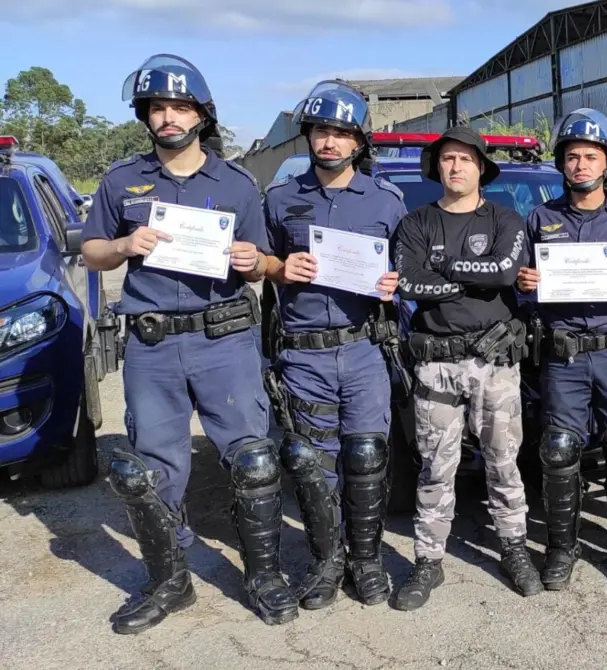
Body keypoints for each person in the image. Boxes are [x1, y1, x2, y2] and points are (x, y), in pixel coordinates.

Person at [81, 54, 298, 634]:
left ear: (201, 114)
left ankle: (264, 572)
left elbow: (263, 262)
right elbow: (91, 252)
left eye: (179, 107)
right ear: (146, 116)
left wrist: (256, 262)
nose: (168, 117)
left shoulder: (235, 183)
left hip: (224, 339)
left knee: (253, 461)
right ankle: (170, 581)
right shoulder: (120, 180)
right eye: (158, 108)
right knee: (152, 472)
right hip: (153, 346)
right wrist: (125, 247)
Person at [261, 80, 404, 610]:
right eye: (322, 130)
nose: (330, 142)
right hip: (304, 353)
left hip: (364, 348)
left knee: (366, 455)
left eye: (342, 133)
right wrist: (280, 267)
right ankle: (326, 562)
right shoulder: (280, 199)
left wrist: (395, 283)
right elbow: (258, 261)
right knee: (312, 462)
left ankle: (365, 561)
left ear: (359, 142)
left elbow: (404, 270)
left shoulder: (386, 201)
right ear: (310, 136)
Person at [390, 125, 541, 612]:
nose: (455, 167)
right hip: (436, 364)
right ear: (437, 167)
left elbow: (502, 273)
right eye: (447, 159)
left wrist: (445, 267)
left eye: (465, 159)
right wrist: (466, 278)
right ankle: (428, 560)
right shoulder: (416, 223)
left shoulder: (506, 219)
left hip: (493, 362)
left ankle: (514, 548)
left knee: (503, 462)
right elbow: (409, 285)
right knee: (436, 467)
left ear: (481, 167)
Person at [516, 109, 607, 591]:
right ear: (561, 164)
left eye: (590, 156)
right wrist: (525, 282)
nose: (580, 165)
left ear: (606, 163)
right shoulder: (541, 218)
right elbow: (523, 290)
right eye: (572, 156)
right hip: (563, 355)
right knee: (558, 449)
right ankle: (561, 547)